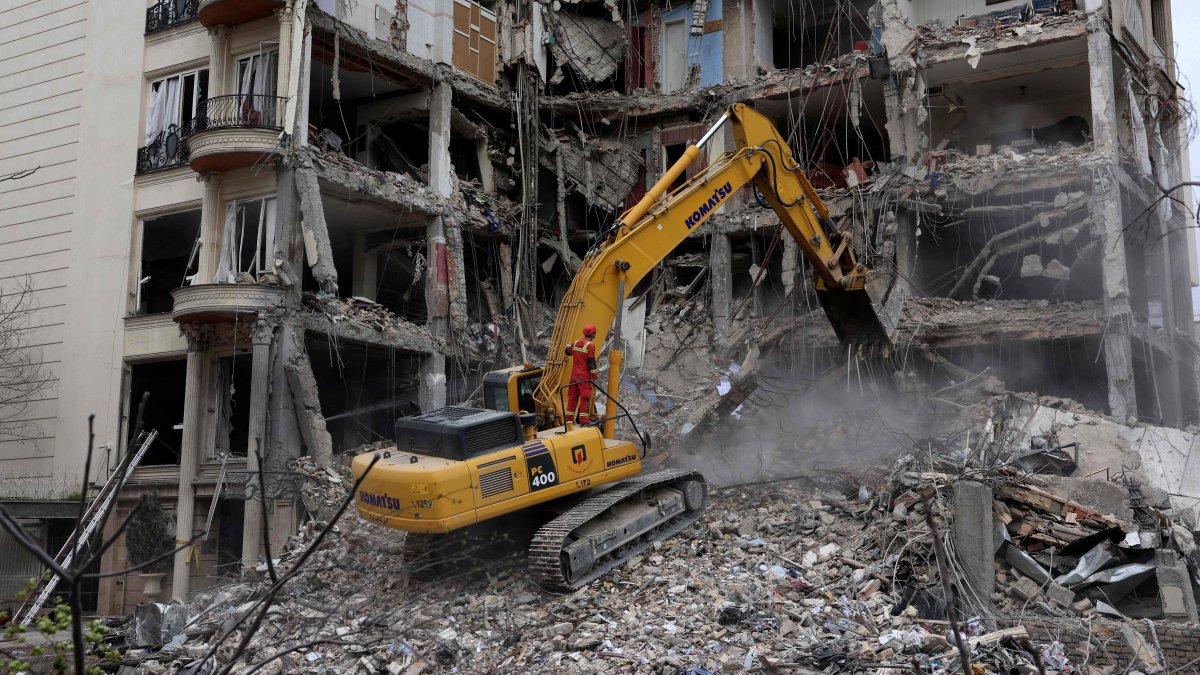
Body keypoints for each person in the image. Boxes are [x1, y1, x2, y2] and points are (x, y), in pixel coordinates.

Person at [565, 324, 599, 425]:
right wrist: (594, 375)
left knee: (572, 397)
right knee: (584, 397)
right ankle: (583, 420)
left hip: (574, 376)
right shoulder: (590, 345)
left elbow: (568, 352)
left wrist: (568, 346)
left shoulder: (575, 343)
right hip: (583, 377)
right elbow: (591, 362)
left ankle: (568, 419)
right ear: (593, 334)